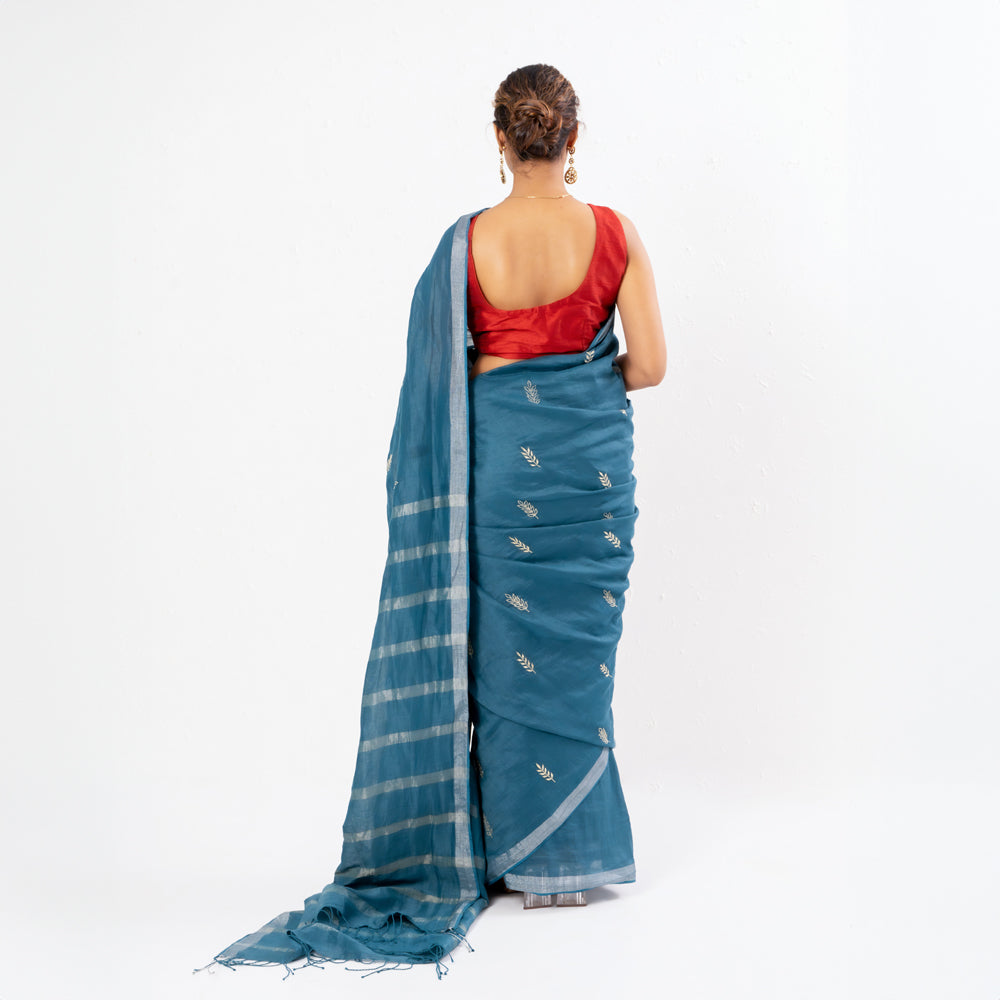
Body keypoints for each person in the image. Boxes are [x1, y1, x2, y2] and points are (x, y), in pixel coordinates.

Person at [194, 63, 665, 979]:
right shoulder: (615, 233)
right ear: (574, 137)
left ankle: (498, 851)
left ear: (500, 140)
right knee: (578, 656)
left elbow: (441, 373)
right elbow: (646, 367)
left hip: (498, 470)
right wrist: (578, 379)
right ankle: (565, 861)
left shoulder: (465, 245)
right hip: (589, 475)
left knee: (502, 651)